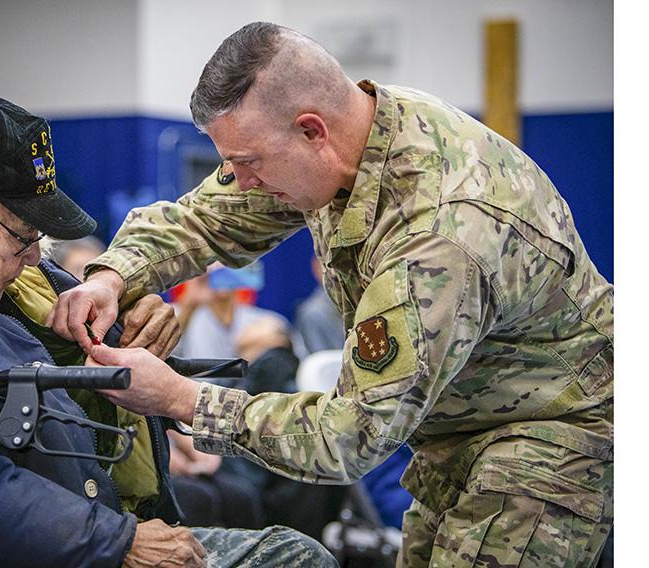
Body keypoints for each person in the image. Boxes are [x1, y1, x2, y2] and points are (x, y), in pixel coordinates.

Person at [49, 22, 613, 567]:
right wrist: (112, 277)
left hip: (550, 436)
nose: (241, 181)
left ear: (311, 130)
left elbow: (350, 437)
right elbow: (203, 218)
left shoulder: (438, 233)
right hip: (458, 427)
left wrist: (180, 398)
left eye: (247, 164)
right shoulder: (348, 137)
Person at [0, 87, 336, 568]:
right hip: (41, 548)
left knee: (292, 553)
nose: (37, 254)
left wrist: (131, 326)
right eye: (23, 236)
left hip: (84, 530)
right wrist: (114, 541)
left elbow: (66, 378)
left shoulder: (7, 277)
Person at [293, 256, 345, 357]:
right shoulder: (313, 313)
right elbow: (325, 364)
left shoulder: (365, 302)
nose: (335, 273)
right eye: (329, 267)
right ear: (317, 269)